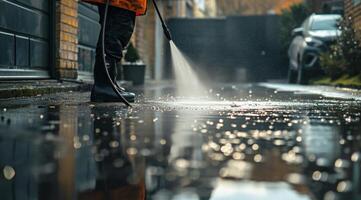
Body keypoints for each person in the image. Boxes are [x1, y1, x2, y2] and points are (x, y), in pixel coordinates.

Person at [82, 0, 147, 103]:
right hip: (120, 2)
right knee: (115, 34)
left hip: (125, 3)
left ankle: (109, 84)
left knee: (118, 32)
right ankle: (104, 86)